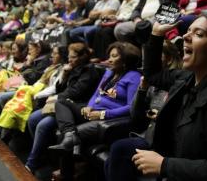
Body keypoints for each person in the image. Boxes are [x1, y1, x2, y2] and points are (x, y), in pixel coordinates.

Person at [105, 14, 207, 180]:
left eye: (198, 34)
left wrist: (164, 165)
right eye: (187, 31)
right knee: (119, 154)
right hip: (178, 159)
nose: (185, 36)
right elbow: (152, 75)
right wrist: (157, 34)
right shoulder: (186, 77)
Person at [49, 42, 141, 180]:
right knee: (61, 102)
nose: (109, 59)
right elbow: (96, 94)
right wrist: (89, 106)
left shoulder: (134, 77)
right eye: (109, 56)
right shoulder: (109, 72)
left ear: (125, 59)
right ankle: (69, 133)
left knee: (64, 135)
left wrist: (102, 114)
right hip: (92, 112)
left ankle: (66, 175)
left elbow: (130, 107)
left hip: (107, 118)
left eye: (114, 56)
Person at [25, 43, 101, 172]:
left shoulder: (89, 71)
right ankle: (43, 154)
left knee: (43, 125)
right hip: (62, 103)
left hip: (74, 108)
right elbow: (60, 88)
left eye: (73, 57)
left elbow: (77, 92)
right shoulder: (73, 68)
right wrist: (65, 75)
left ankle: (32, 163)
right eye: (69, 57)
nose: (69, 60)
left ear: (82, 57)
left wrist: (57, 97)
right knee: (32, 118)